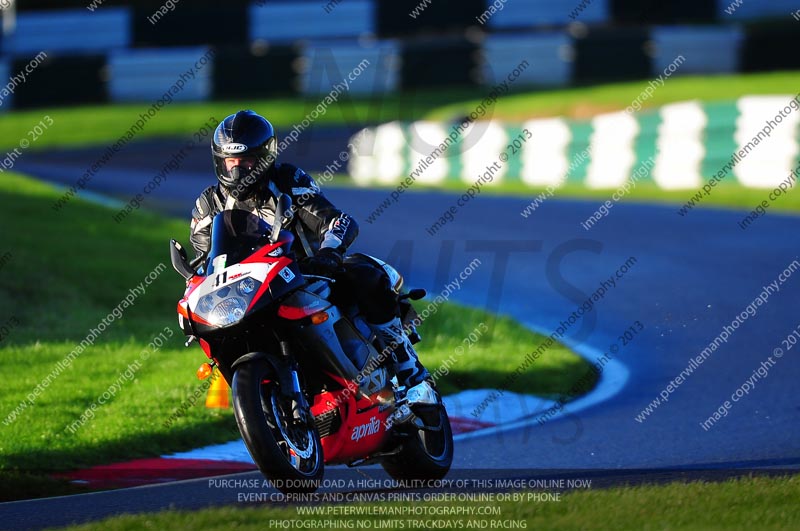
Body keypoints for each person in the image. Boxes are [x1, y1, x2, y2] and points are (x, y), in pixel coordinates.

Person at [189, 110, 435, 407]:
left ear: (265, 158)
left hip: (306, 275)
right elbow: (206, 259)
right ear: (219, 161)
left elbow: (336, 220)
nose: (238, 172)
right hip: (249, 294)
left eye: (247, 162)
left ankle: (408, 368)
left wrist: (329, 253)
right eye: (231, 163)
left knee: (362, 271)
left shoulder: (287, 180)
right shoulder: (207, 206)